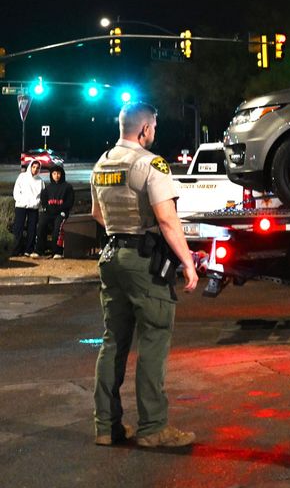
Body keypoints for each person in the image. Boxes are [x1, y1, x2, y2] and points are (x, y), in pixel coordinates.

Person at [91, 103, 200, 448]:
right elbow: (167, 220)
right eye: (154, 126)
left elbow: (97, 214)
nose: (155, 131)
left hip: (111, 257)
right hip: (142, 261)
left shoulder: (102, 163)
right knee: (154, 339)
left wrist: (121, 230)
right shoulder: (150, 164)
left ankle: (106, 427)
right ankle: (153, 428)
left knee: (113, 341)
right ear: (144, 130)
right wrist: (188, 262)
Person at [36, 164, 76, 258]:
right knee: (41, 224)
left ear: (62, 174)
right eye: (54, 173)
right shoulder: (48, 188)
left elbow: (69, 202)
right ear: (51, 175)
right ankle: (39, 250)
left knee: (58, 227)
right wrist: (46, 208)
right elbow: (44, 199)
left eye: (58, 173)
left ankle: (57, 251)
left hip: (61, 213)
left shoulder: (67, 187)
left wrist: (60, 209)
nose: (56, 175)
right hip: (49, 212)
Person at [12, 160, 44, 257]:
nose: (35, 169)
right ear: (30, 167)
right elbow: (16, 190)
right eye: (33, 167)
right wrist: (21, 201)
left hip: (33, 208)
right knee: (18, 228)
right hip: (21, 206)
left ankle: (29, 250)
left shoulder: (40, 181)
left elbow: (41, 196)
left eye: (37, 168)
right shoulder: (22, 177)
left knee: (32, 229)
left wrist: (36, 203)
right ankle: (16, 249)